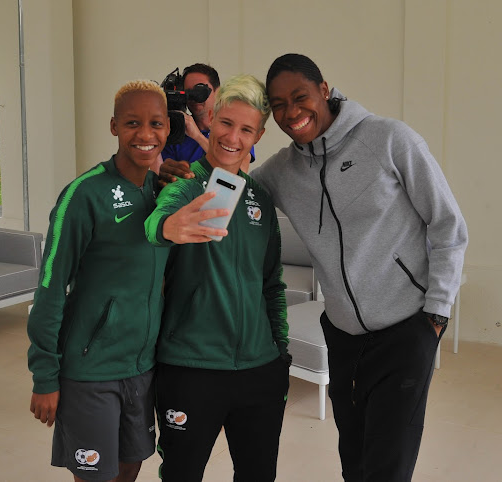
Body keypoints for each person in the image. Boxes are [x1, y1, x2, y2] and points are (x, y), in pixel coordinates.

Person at [159, 54, 469, 482]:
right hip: (342, 336)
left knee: (388, 465)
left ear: (324, 89)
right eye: (280, 105)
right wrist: (175, 173)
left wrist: (436, 314)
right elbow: (233, 174)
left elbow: (448, 225)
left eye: (300, 97)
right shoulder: (283, 171)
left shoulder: (389, 139)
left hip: (404, 330)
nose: (292, 112)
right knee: (354, 460)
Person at [145, 74, 290, 482]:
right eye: (225, 123)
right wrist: (167, 227)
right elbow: (156, 224)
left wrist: (280, 355)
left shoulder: (260, 198)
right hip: (191, 368)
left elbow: (271, 284)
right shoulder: (183, 185)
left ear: (259, 134)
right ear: (210, 121)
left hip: (259, 370)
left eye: (246, 129)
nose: (233, 137)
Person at [27, 80, 171, 482]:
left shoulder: (163, 195)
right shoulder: (83, 196)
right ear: (113, 127)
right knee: (94, 477)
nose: (145, 134)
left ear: (167, 130)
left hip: (142, 368)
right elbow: (50, 289)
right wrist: (45, 376)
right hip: (90, 370)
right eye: (132, 123)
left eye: (155, 123)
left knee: (131, 466)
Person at [159, 63, 255, 173]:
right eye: (188, 92)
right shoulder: (177, 130)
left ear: (218, 92)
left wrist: (198, 137)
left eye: (200, 90)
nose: (194, 97)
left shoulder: (235, 128)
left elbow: (240, 171)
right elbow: (162, 176)